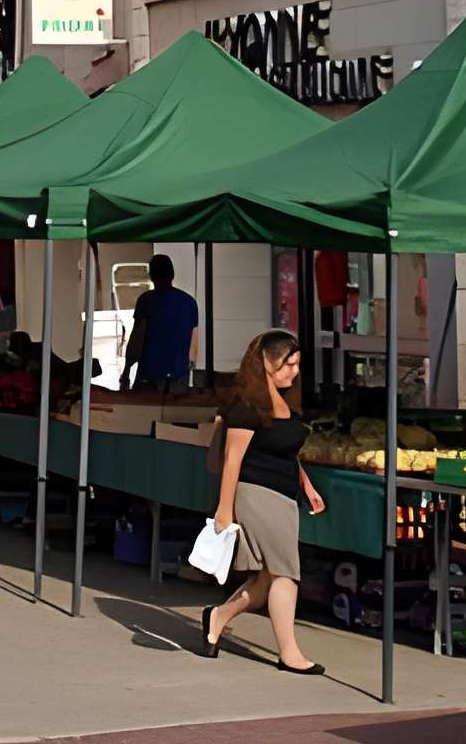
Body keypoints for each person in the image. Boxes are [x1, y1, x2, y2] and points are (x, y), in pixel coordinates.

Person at [199, 329, 326, 674]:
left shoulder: (286, 402)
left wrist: (307, 486)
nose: (295, 372)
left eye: (297, 364)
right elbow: (232, 461)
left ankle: (217, 617)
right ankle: (289, 653)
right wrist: (224, 510)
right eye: (288, 364)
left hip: (285, 496)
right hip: (256, 493)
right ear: (267, 362)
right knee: (286, 574)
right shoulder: (245, 407)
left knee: (266, 579)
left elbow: (286, 453)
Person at [122, 254, 200, 391]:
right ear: (172, 274)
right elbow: (193, 346)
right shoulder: (189, 302)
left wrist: (126, 372)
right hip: (179, 378)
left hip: (150, 377)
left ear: (151, 275)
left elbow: (137, 339)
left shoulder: (146, 301)